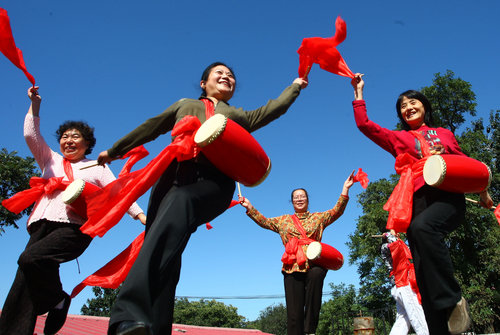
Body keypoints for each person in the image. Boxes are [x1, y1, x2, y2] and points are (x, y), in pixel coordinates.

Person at [96, 62, 308, 335]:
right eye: (219, 73)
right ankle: (147, 328)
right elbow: (150, 127)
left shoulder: (237, 115)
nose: (227, 77)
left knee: (181, 205)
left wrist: (295, 86)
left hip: (213, 182)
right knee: (165, 252)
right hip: (172, 177)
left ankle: (126, 314)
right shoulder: (184, 104)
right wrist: (115, 150)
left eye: (231, 76)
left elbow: (273, 109)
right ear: (203, 83)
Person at [350, 74, 493, 334]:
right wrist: (359, 92)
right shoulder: (398, 139)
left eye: (412, 102)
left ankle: (452, 299)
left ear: (425, 106)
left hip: (448, 196)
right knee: (424, 275)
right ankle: (440, 326)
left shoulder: (444, 134)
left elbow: (468, 165)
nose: (408, 107)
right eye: (402, 106)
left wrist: (484, 194)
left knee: (422, 229)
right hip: (417, 201)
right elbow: (365, 125)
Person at [0, 87, 146, 335]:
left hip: (75, 228)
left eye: (75, 136)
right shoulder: (51, 161)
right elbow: (30, 134)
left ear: (87, 143)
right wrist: (34, 105)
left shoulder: (96, 167)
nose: (69, 140)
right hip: (41, 225)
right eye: (65, 136)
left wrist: (140, 216)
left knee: (29, 259)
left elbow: (118, 193)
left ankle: (57, 298)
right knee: (24, 280)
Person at [238, 172, 355, 335]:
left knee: (317, 275)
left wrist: (345, 189)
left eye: (302, 196)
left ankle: (310, 331)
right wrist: (249, 207)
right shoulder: (283, 220)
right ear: (292, 201)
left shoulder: (318, 218)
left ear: (307, 200)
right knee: (294, 313)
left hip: (314, 263)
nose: (299, 199)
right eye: (296, 197)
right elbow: (264, 221)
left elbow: (337, 211)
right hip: (291, 266)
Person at [380, 231, 429, 335]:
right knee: (417, 316)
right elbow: (395, 246)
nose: (397, 234)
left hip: (402, 285)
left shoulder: (400, 244)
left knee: (403, 320)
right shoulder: (386, 247)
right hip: (403, 284)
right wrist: (389, 235)